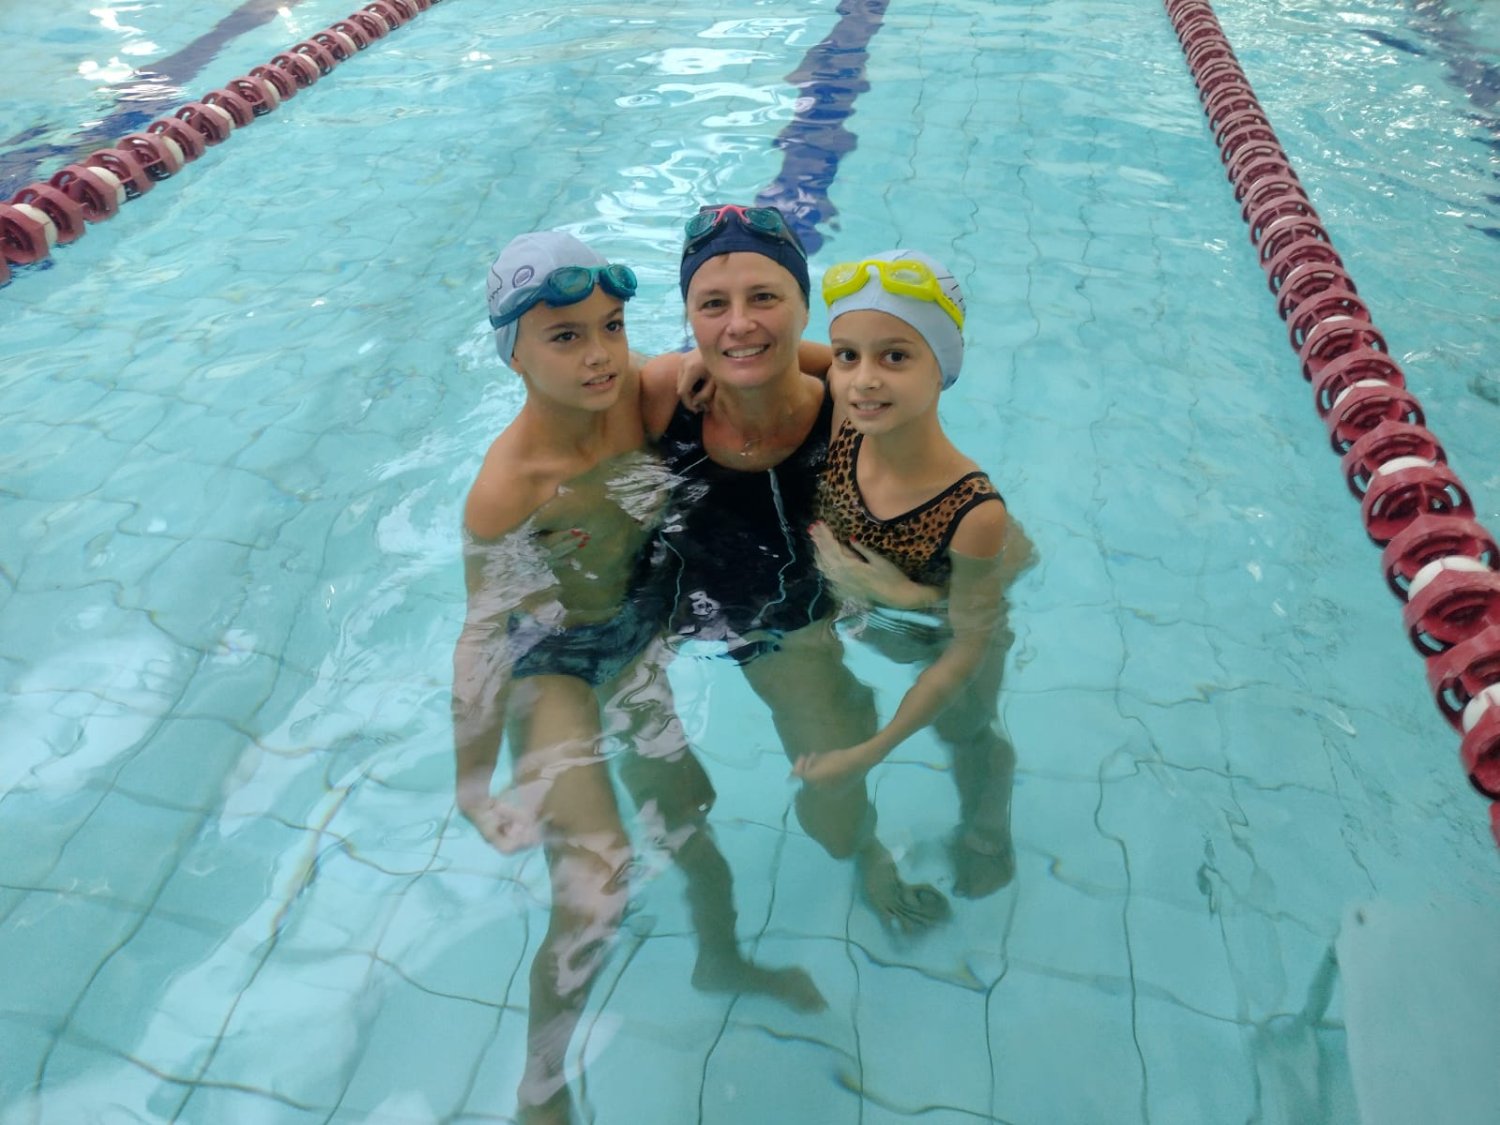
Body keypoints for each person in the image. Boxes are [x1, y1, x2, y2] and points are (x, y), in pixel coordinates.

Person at [451, 230, 820, 1125]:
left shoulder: (643, 397)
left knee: (690, 808)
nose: (600, 355)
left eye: (611, 327)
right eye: (566, 337)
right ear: (514, 356)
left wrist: (856, 368)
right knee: (596, 883)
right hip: (556, 664)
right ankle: (542, 1092)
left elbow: (760, 359)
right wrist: (472, 784)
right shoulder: (509, 487)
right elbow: (483, 636)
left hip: (636, 634)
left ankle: (721, 957)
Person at [638, 205, 951, 932]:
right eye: (712, 306)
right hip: (692, 598)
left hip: (802, 608)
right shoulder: (661, 394)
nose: (739, 324)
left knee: (842, 775)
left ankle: (864, 849)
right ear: (688, 318)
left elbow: (971, 539)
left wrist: (902, 595)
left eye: (764, 298)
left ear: (805, 308)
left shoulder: (855, 407)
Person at [795, 249, 1032, 897]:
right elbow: (792, 354)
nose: (864, 380)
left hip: (950, 620)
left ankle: (988, 831)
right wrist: (694, 365)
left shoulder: (973, 511)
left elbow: (970, 641)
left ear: (943, 368)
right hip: (869, 609)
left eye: (896, 356)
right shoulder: (847, 420)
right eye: (848, 356)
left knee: (967, 730)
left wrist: (868, 752)